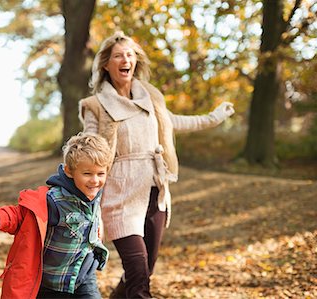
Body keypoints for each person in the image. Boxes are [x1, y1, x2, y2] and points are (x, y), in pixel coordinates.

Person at [78, 31, 235, 298]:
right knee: (138, 273)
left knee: (142, 271)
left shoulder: (150, 98)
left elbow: (176, 122)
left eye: (129, 55)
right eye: (117, 55)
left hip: (154, 192)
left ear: (136, 61)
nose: (124, 59)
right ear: (106, 64)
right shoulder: (95, 105)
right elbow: (88, 147)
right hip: (119, 196)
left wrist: (214, 117)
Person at [0, 132, 111, 299]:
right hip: (49, 283)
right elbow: (20, 215)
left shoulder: (95, 194)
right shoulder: (53, 201)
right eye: (87, 174)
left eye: (100, 174)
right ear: (69, 171)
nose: (95, 180)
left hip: (83, 280)